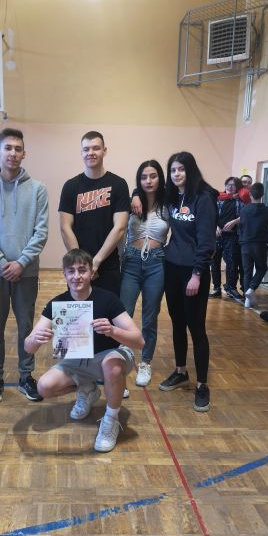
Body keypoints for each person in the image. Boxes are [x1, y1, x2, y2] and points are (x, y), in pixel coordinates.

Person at [24, 249, 144, 452]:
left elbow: (139, 342)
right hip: (78, 360)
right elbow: (28, 347)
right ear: (64, 274)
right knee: (44, 387)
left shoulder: (108, 299)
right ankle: (87, 390)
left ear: (92, 273)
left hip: (112, 355)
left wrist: (112, 330)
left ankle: (110, 420)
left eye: (82, 270)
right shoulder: (57, 304)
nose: (76, 276)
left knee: (112, 367)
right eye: (71, 271)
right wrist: (34, 339)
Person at [0, 128, 49, 404]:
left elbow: (41, 231)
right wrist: (3, 263)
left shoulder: (38, 189)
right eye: (8, 148)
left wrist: (22, 262)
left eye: (18, 149)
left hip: (26, 273)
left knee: (26, 327)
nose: (13, 153)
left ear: (24, 153)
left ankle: (26, 376)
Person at [158, 152, 216, 412]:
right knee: (177, 322)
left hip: (193, 274)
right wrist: (136, 194)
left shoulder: (203, 198)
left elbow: (207, 241)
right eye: (173, 170)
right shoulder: (172, 196)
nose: (176, 174)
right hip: (172, 268)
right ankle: (181, 371)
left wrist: (197, 274)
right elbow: (145, 188)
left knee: (197, 328)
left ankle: (202, 385)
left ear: (190, 170)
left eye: (181, 169)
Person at [58, 131, 130, 296]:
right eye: (86, 149)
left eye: (96, 148)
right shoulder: (70, 186)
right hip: (78, 269)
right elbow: (65, 227)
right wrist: (81, 264)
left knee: (107, 312)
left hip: (108, 265)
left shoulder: (118, 184)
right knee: (80, 312)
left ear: (104, 150)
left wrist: (96, 262)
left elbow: (120, 227)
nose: (90, 153)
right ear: (81, 153)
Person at [120, 160, 169, 387]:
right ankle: (120, 362)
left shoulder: (168, 203)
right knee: (123, 314)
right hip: (131, 261)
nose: (148, 181)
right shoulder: (132, 203)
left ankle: (145, 362)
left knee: (150, 317)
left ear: (160, 178)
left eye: (153, 176)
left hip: (157, 263)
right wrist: (133, 195)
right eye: (143, 177)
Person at [209, 177, 246, 301]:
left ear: (237, 187)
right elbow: (211, 215)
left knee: (231, 262)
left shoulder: (240, 200)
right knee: (214, 262)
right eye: (228, 184)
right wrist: (215, 227)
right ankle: (216, 288)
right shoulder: (218, 199)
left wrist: (235, 221)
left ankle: (231, 288)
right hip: (217, 235)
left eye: (233, 185)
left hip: (232, 235)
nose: (230, 187)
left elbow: (246, 214)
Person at [239, 182, 268, 308]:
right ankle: (251, 289)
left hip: (245, 243)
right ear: (262, 194)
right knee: (262, 268)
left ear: (250, 194)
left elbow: (242, 225)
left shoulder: (244, 210)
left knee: (247, 271)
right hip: (260, 244)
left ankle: (247, 299)